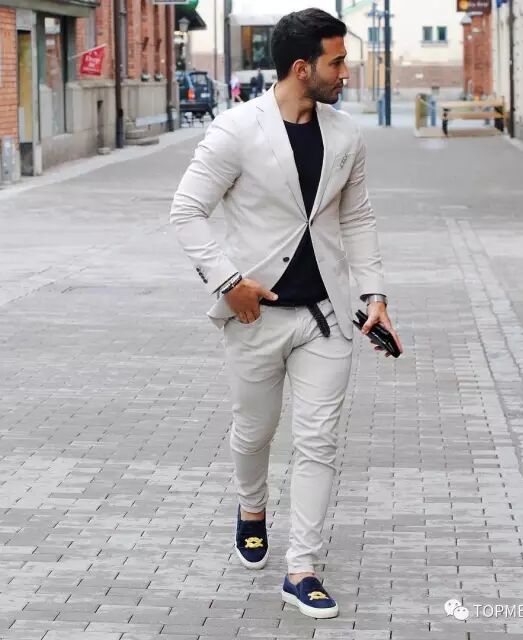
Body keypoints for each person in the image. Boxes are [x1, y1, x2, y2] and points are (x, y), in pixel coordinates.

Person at [169, 8, 402, 619]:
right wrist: (228, 283)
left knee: (318, 441)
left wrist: (374, 296)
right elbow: (186, 210)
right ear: (303, 68)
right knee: (255, 432)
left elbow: (358, 218)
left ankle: (302, 569)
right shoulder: (235, 129)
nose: (346, 72)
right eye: (337, 61)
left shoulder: (346, 135)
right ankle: (251, 506)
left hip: (326, 315)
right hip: (256, 315)